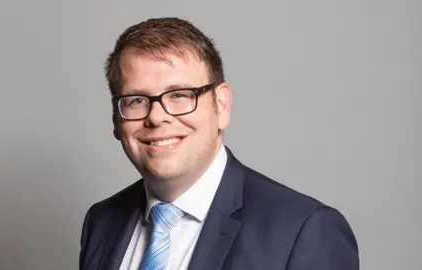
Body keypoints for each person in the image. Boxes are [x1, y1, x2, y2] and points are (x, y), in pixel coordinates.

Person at [79, 17, 359, 270]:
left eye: (179, 95)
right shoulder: (102, 222)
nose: (157, 117)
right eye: (137, 100)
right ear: (117, 120)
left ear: (221, 105)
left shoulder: (304, 230)